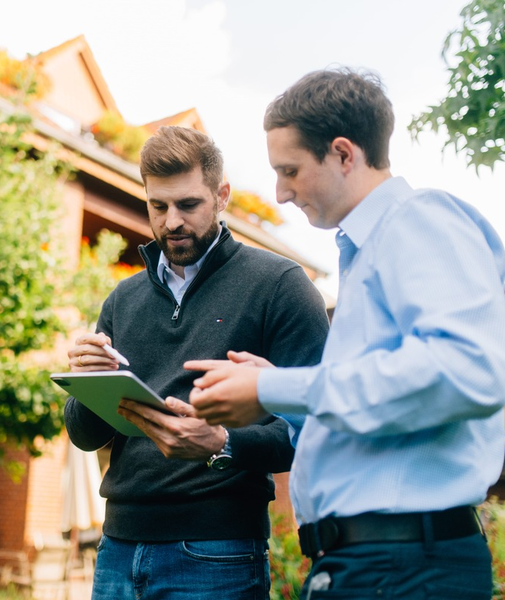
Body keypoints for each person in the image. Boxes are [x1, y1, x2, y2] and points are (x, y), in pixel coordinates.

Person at [187, 68, 505, 599]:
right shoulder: (370, 248)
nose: (281, 193)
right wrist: (283, 389)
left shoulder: (416, 220)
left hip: (403, 566)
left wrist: (274, 390)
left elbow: (464, 371)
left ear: (343, 153)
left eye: (290, 170)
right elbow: (381, 406)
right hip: (376, 564)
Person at [65, 125, 329, 600]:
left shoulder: (280, 286)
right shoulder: (122, 299)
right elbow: (86, 437)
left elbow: (315, 425)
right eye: (157, 206)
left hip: (218, 551)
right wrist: (90, 380)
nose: (171, 223)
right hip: (118, 548)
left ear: (221, 195)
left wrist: (222, 443)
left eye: (188, 205)